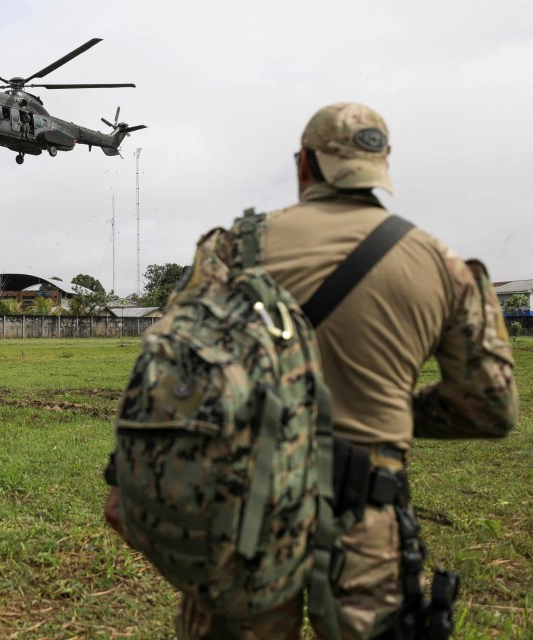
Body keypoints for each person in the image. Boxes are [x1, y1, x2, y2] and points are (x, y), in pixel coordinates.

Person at [107, 102, 518, 639]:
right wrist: (395, 410)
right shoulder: (444, 264)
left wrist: (124, 476)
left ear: (305, 164)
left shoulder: (235, 246)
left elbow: (171, 362)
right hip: (368, 515)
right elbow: (490, 408)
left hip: (246, 509)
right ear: (382, 168)